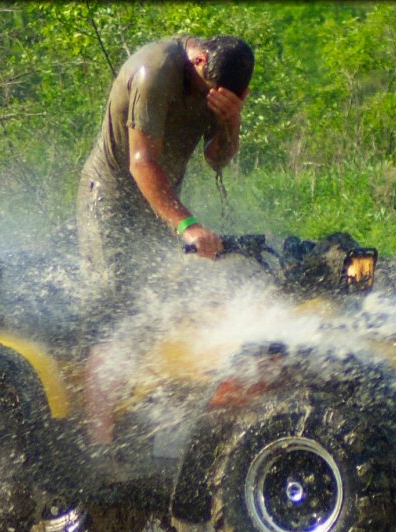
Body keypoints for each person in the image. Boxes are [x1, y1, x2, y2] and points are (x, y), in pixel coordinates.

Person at [75, 34, 254, 445]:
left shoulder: (219, 82)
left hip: (160, 198)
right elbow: (142, 164)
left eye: (230, 97)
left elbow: (216, 159)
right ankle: (99, 448)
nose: (213, 97)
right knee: (115, 311)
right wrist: (188, 225)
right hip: (112, 198)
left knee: (167, 301)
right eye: (211, 91)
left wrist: (232, 120)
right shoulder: (155, 72)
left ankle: (152, 423)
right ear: (200, 60)